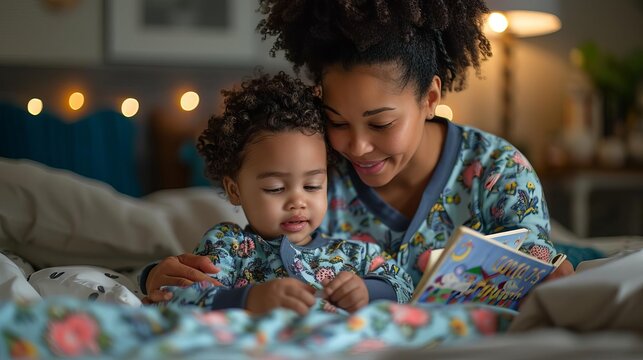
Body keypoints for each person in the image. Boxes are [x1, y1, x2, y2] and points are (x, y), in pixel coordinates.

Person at [142, 0, 573, 301]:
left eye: (381, 123)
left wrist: (552, 273)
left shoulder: (498, 171)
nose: (356, 146)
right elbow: (247, 260)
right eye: (336, 121)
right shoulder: (313, 172)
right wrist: (154, 277)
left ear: (429, 98)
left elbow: (535, 258)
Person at [156, 72, 413, 315]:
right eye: (275, 189)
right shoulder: (229, 247)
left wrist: (367, 290)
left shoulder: (354, 254)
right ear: (235, 190)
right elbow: (174, 300)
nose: (297, 202)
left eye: (312, 186)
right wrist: (248, 300)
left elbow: (403, 284)